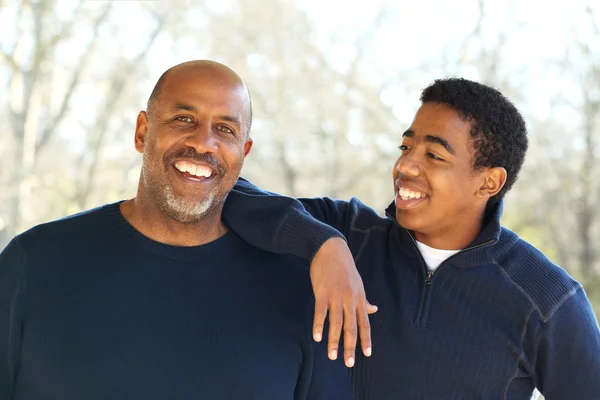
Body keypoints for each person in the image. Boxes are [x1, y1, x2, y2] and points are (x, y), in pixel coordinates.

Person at [222, 78, 600, 399]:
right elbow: (225, 194)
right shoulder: (349, 233)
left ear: (489, 182)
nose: (405, 165)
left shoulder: (547, 299)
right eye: (406, 147)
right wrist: (324, 245)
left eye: (434, 155)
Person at [0, 60, 353, 400]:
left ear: (243, 152)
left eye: (225, 129)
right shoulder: (34, 264)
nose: (203, 143)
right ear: (142, 132)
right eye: (184, 119)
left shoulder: (303, 294)